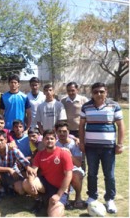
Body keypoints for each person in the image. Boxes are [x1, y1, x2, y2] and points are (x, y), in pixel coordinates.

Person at [79, 82, 125, 214]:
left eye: (101, 91)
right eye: (95, 92)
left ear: (106, 92)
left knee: (109, 175)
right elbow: (81, 126)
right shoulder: (86, 107)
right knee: (92, 173)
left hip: (108, 148)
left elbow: (121, 126)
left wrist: (120, 144)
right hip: (91, 147)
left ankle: (109, 199)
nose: (98, 94)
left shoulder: (114, 106)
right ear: (91, 94)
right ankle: (92, 196)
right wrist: (82, 143)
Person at [22, 129, 73, 217]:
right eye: (47, 138)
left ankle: (56, 203)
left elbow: (69, 176)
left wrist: (58, 194)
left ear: (55, 140)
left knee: (53, 215)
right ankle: (39, 200)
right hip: (45, 184)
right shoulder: (40, 154)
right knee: (26, 183)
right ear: (43, 140)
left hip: (60, 189)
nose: (49, 141)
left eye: (51, 138)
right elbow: (33, 171)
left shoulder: (63, 154)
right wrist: (30, 181)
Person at [0, 130, 32, 202]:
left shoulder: (13, 149)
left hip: (13, 174)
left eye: (1, 140)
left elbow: (24, 161)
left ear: (6, 140)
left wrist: (28, 169)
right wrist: (9, 169)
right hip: (0, 173)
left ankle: (11, 188)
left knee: (21, 190)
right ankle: (2, 190)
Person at [55, 122, 85, 209]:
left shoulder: (75, 144)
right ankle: (65, 198)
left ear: (68, 132)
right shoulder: (54, 144)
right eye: (59, 131)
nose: (62, 133)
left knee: (75, 175)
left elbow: (79, 164)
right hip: (59, 169)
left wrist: (69, 155)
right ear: (56, 132)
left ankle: (78, 197)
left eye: (64, 131)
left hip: (74, 168)